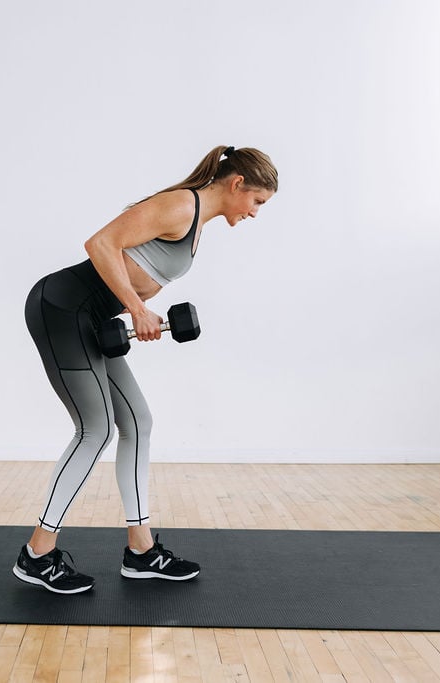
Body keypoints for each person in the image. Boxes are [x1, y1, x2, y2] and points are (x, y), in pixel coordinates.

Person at [14, 145, 279, 593]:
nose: (255, 213)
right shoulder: (182, 205)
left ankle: (141, 550)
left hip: (93, 318)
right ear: (237, 185)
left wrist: (135, 310)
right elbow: (100, 243)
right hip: (62, 307)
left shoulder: (197, 222)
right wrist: (137, 309)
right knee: (94, 430)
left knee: (138, 422)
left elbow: (135, 267)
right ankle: (37, 553)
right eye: (257, 202)